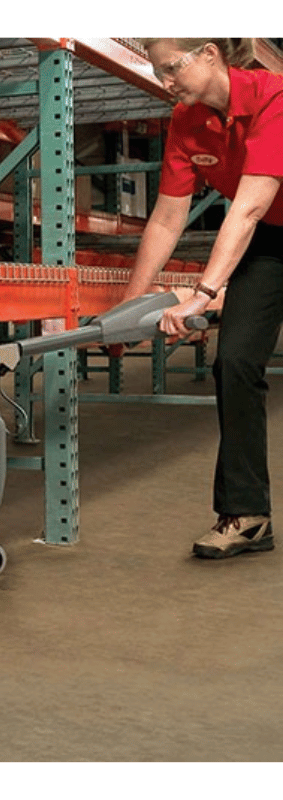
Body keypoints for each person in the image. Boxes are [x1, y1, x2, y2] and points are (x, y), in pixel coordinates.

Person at [122, 38, 283, 558]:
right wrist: (129, 306)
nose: (166, 81)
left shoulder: (274, 96)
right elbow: (168, 217)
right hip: (271, 242)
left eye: (172, 68)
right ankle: (248, 514)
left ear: (210, 54)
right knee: (234, 361)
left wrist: (202, 293)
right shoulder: (186, 120)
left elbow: (249, 208)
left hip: (259, 220)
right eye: (159, 71)